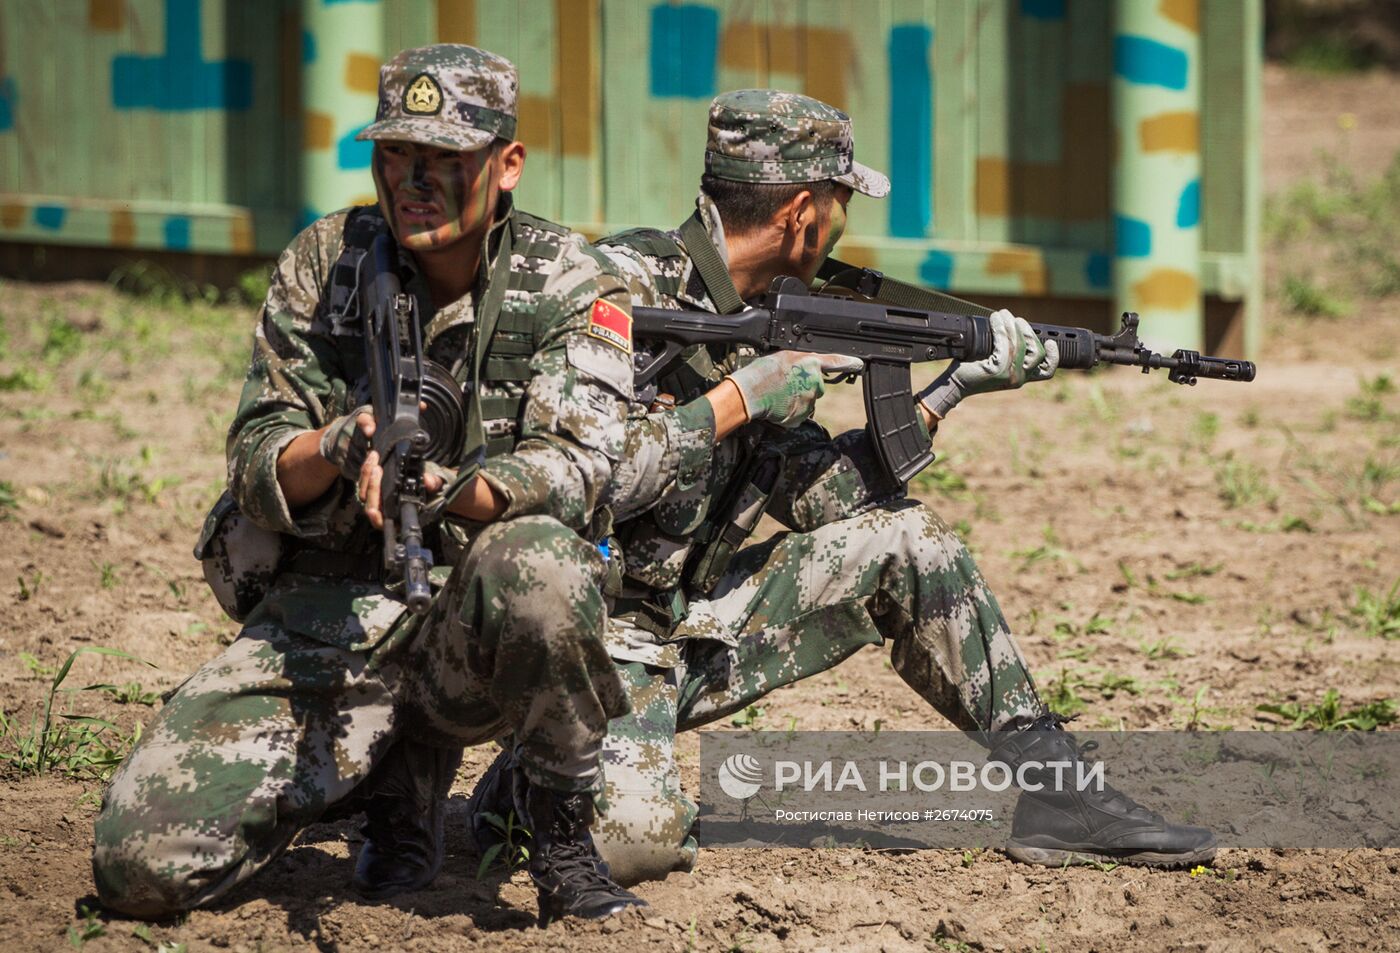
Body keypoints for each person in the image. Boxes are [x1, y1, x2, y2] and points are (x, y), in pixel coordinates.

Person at [465, 89, 1218, 884]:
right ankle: (534, 773)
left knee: (907, 539)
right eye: (840, 202)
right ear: (801, 210)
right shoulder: (619, 288)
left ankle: (1062, 792)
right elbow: (577, 474)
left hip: (681, 631)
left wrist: (952, 389)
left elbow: (832, 500)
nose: (841, 224)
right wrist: (738, 401)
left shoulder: (775, 311)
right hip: (577, 640)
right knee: (635, 845)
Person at [91, 44, 649, 927]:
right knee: (138, 869)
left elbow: (571, 466)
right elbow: (254, 455)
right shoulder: (326, 263)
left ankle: (558, 830)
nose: (414, 180)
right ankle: (379, 779)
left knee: (544, 564)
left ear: (507, 166)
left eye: (445, 160)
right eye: (395, 153)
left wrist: (445, 484)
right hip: (329, 624)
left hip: (471, 631)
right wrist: (340, 445)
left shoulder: (573, 283)